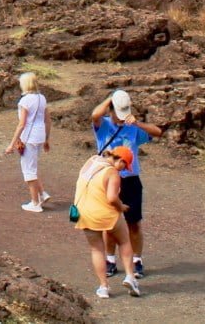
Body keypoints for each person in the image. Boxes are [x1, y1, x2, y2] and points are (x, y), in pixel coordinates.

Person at [92, 89, 163, 279]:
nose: (120, 118)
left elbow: (157, 132)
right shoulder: (104, 125)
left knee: (134, 223)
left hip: (130, 180)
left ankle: (136, 260)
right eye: (117, 112)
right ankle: (110, 260)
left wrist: (137, 122)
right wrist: (110, 98)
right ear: (111, 110)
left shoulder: (132, 128)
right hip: (107, 178)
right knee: (109, 223)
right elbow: (95, 115)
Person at [73, 144, 141, 298]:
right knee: (124, 241)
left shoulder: (91, 160)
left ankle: (103, 287)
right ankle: (130, 276)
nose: (123, 170)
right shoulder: (112, 173)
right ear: (121, 161)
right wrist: (121, 206)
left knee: (96, 249)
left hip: (84, 213)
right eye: (124, 166)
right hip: (104, 213)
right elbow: (111, 198)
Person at [6, 71, 51, 211]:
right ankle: (42, 194)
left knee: (28, 171)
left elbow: (22, 124)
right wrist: (47, 139)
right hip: (39, 136)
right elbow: (48, 120)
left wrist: (11, 144)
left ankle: (35, 203)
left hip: (29, 138)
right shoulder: (42, 98)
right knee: (32, 167)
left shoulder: (24, 101)